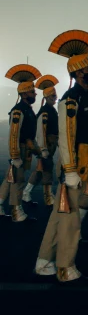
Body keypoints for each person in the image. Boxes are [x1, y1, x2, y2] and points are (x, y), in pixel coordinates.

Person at [35, 30, 88, 284]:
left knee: (59, 214)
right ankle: (65, 267)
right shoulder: (70, 99)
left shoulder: (86, 96)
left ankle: (44, 261)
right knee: (71, 218)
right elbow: (66, 136)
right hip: (74, 164)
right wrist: (71, 169)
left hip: (83, 162)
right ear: (77, 72)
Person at [0, 64, 42, 221]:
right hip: (20, 149)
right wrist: (15, 155)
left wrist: (37, 151)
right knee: (18, 181)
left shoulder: (27, 108)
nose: (35, 94)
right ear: (24, 93)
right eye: (32, 91)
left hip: (26, 148)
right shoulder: (19, 110)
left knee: (9, 178)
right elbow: (14, 134)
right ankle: (17, 212)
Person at [22, 75, 60, 208]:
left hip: (51, 144)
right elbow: (40, 132)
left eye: (55, 96)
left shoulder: (51, 111)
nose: (55, 98)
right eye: (53, 96)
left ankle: (26, 192)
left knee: (40, 170)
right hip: (46, 145)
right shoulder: (45, 112)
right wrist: (43, 148)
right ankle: (48, 196)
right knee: (47, 170)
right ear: (47, 97)